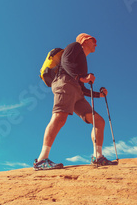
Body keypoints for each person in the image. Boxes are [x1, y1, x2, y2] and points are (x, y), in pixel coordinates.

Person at [34, 33, 117, 170]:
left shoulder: (82, 58)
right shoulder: (75, 46)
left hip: (77, 91)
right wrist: (82, 77)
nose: (96, 43)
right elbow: (66, 61)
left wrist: (99, 95)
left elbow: (83, 88)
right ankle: (41, 160)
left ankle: (98, 157)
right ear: (84, 40)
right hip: (64, 83)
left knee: (99, 121)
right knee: (60, 117)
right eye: (93, 40)